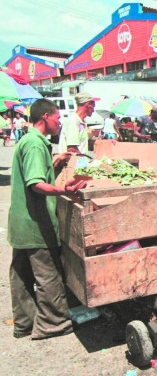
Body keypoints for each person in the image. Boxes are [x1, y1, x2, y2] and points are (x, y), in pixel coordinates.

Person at [8, 98, 87, 340]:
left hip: (20, 224)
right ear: (45, 117)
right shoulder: (34, 143)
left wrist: (56, 161)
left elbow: (36, 172)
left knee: (21, 274)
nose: (59, 122)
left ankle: (25, 323)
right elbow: (36, 184)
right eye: (56, 117)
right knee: (48, 274)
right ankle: (53, 324)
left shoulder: (29, 140)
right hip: (36, 225)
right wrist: (65, 190)